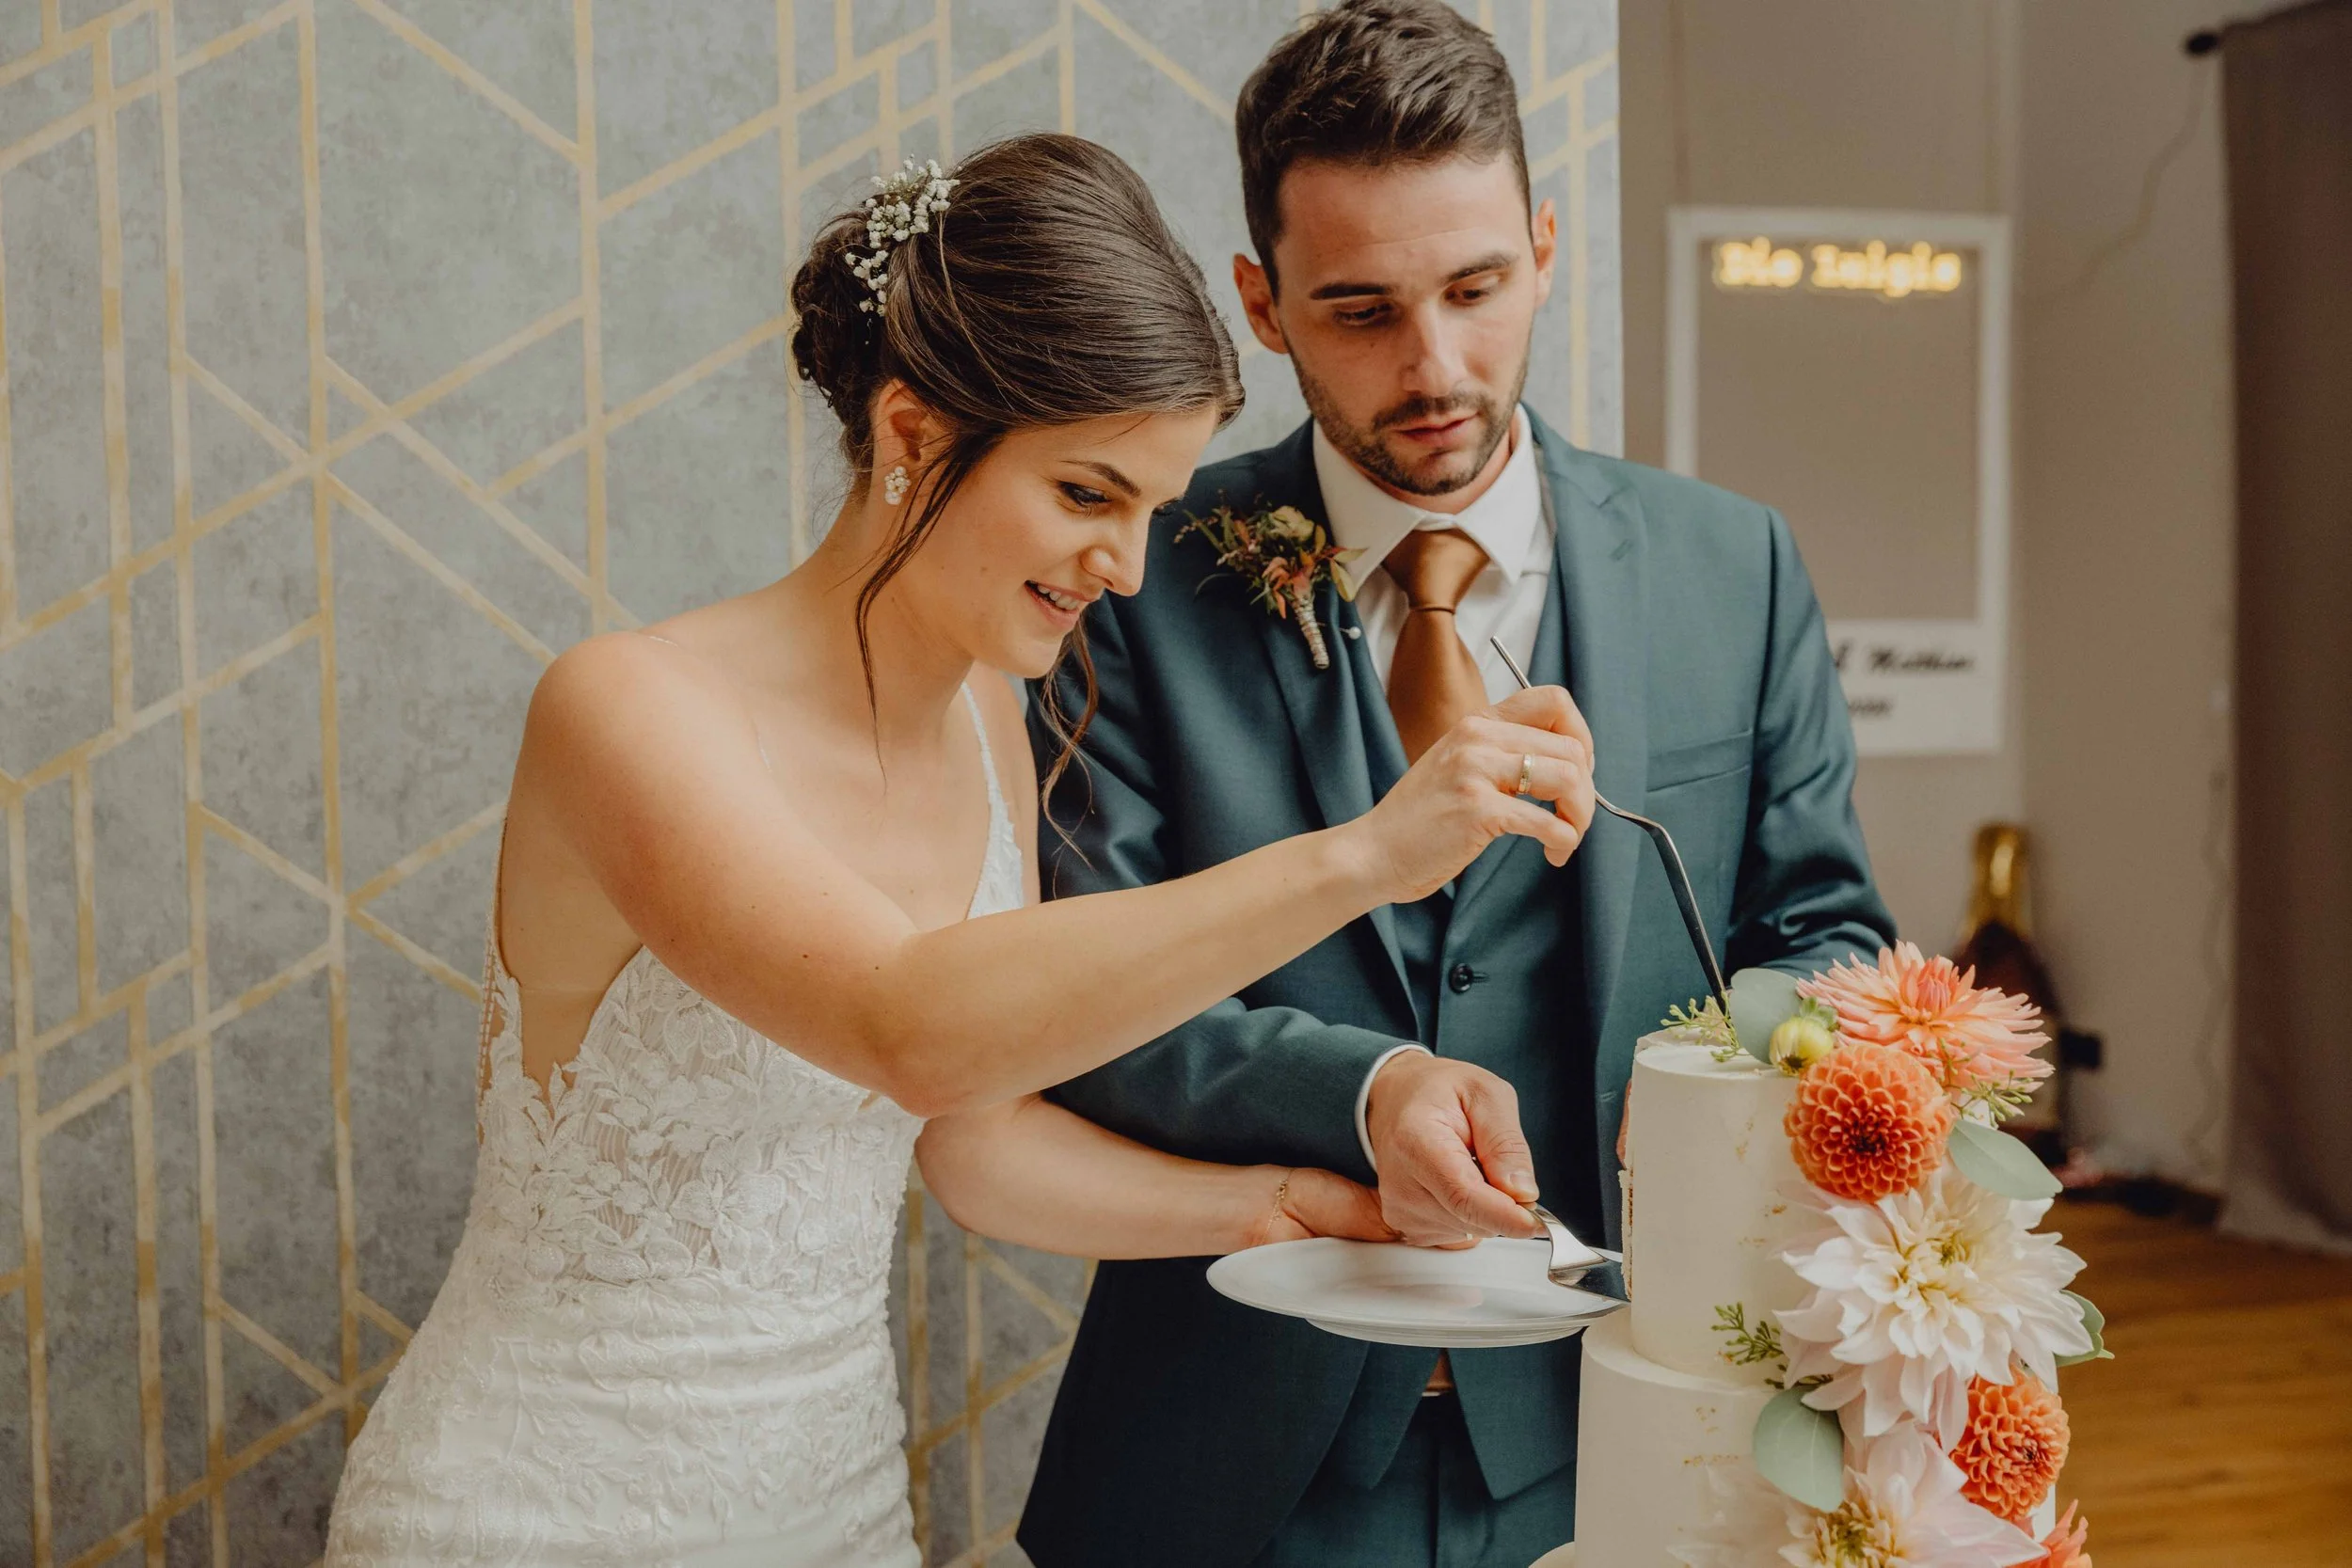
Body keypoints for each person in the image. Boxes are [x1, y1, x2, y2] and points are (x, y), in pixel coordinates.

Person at [322, 133, 1596, 1568]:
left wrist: (1291, 1208)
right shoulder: (626, 708)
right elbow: (907, 1027)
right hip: (536, 1506)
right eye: (1086, 495)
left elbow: (974, 1138)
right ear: (915, 433)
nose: (1125, 568)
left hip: (835, 1502)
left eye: (1152, 512)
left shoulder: (997, 725)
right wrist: (1366, 853)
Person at [1016, 6, 1899, 1566]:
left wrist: (1703, 1106)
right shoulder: (1125, 577)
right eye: (1359, 309)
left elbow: (1827, 929)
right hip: (1231, 1451)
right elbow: (1084, 996)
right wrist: (1362, 1091)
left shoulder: (1732, 565)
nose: (1434, 366)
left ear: (1547, 245)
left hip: (1623, 1423)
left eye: (1477, 289)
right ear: (1261, 304)